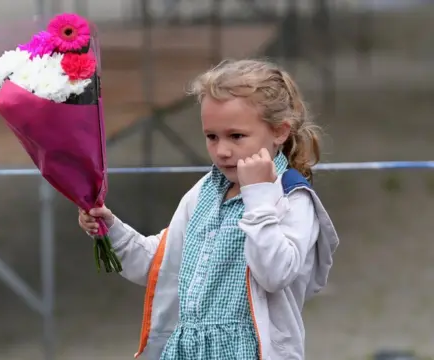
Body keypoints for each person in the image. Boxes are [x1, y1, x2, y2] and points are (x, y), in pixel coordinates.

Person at [78, 59, 340, 360]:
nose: (222, 150)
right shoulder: (202, 193)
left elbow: (275, 274)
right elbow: (161, 265)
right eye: (211, 137)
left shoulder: (293, 198)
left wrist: (258, 197)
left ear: (279, 131)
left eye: (236, 136)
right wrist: (111, 229)